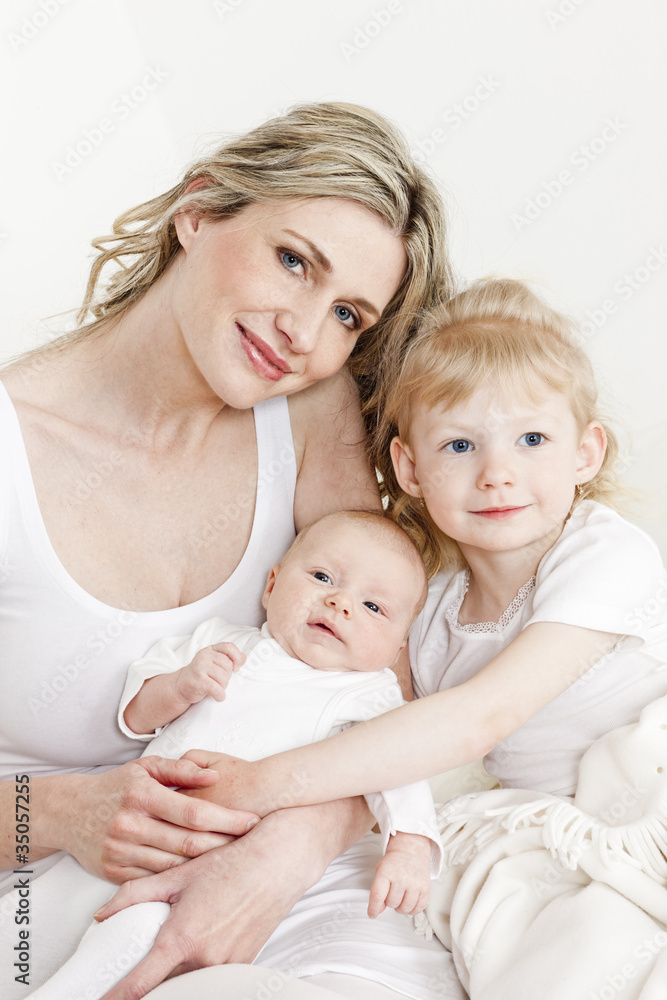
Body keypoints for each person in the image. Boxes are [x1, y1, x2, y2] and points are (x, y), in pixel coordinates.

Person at [0, 101, 452, 999]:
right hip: (52, 907)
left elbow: (378, 694)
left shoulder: (309, 415)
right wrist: (56, 811)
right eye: (293, 261)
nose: (302, 334)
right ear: (199, 210)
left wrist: (281, 850)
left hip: (297, 883)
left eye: (348, 316)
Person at [167, 279, 667, 996]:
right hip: (550, 844)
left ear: (584, 453)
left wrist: (259, 785)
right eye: (459, 445)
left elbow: (479, 718)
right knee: (516, 952)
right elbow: (375, 720)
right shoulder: (427, 610)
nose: (497, 474)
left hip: (641, 808)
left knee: (598, 949)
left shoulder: (602, 555)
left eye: (531, 440)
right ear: (409, 469)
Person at [25, 510, 450, 1000]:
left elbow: (395, 762)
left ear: (398, 647)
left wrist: (410, 845)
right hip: (130, 830)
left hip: (210, 872)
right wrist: (180, 686)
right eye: (322, 577)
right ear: (271, 585)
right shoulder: (220, 642)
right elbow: (137, 716)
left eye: (373, 606)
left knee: (132, 938)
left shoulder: (366, 694)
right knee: (40, 914)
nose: (340, 602)